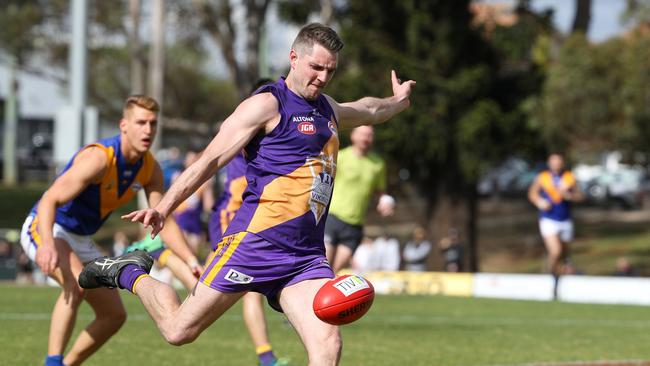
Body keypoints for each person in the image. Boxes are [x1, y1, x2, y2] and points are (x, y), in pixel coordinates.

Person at [80, 23, 415, 365]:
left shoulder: (327, 108)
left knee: (328, 344)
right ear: (293, 58)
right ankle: (128, 271)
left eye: (330, 70)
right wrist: (164, 207)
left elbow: (370, 110)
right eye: (316, 67)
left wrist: (398, 101)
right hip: (254, 244)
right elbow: (209, 160)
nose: (323, 77)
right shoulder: (266, 105)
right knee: (178, 331)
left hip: (305, 257)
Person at [20, 95, 202, 366]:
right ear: (123, 126)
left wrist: (190, 260)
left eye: (153, 124)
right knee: (75, 285)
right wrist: (46, 243)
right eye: (141, 122)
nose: (148, 130)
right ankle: (52, 362)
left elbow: (163, 220)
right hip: (47, 227)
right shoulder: (99, 158)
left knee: (114, 315)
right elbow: (49, 199)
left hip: (80, 237)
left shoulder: (149, 168)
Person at [324, 125, 395, 273]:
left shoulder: (378, 164)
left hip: (355, 225)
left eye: (369, 135)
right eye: (362, 134)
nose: (365, 138)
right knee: (323, 268)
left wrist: (385, 202)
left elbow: (380, 192)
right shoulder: (340, 156)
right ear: (353, 136)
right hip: (332, 218)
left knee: (333, 272)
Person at [528, 153, 583, 299]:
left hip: (565, 220)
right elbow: (532, 193)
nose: (556, 164)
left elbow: (580, 196)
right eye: (553, 161)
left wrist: (569, 196)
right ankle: (552, 275)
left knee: (564, 255)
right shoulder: (543, 177)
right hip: (548, 219)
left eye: (558, 161)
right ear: (549, 163)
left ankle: (556, 284)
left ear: (562, 163)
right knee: (556, 251)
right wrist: (540, 202)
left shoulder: (569, 178)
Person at [172, 149, 215, 254]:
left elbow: (208, 206)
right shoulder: (178, 177)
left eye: (194, 160)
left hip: (194, 218)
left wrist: (209, 188)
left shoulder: (204, 182)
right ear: (185, 162)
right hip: (181, 217)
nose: (191, 162)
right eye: (189, 160)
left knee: (193, 251)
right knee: (182, 249)